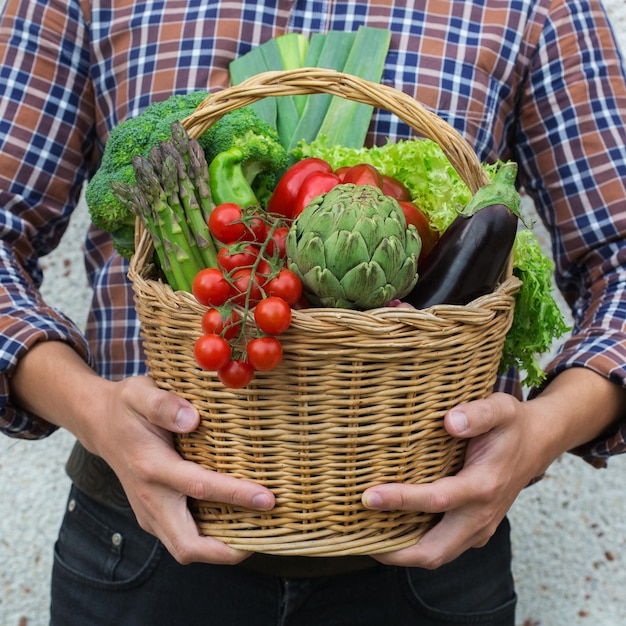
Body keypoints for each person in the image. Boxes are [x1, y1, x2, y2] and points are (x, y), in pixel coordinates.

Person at [1, 0, 625, 624]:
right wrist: (93, 409)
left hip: (431, 549)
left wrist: (542, 432)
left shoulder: (537, 9)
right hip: (139, 543)